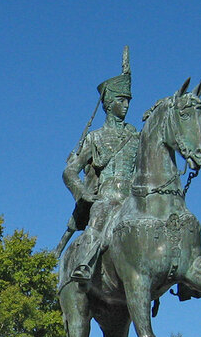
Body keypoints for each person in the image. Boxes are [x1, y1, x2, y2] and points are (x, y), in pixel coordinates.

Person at [56, 47, 139, 283]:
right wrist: (82, 193)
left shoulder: (136, 136)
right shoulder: (96, 137)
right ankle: (84, 264)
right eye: (122, 100)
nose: (127, 106)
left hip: (135, 197)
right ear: (109, 102)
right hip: (108, 195)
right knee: (100, 216)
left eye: (128, 101)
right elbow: (69, 171)